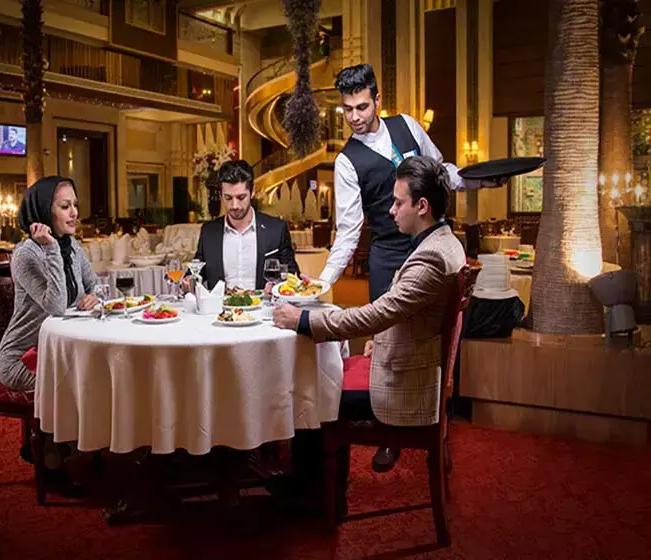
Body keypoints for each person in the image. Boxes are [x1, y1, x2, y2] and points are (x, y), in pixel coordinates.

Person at [271, 157, 464, 506]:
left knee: (313, 388)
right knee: (322, 376)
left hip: (405, 386)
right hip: (413, 365)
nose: (391, 211)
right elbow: (401, 313)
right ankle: (319, 490)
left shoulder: (432, 258)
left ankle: (312, 498)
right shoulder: (443, 242)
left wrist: (303, 321)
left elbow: (374, 315)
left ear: (422, 206)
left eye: (398, 202)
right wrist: (380, 339)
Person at [317, 63, 477, 472]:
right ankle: (389, 434)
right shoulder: (347, 162)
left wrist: (475, 180)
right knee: (389, 348)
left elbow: (441, 172)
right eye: (347, 109)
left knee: (434, 342)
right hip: (388, 256)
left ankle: (438, 428)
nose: (355, 116)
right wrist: (321, 283)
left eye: (362, 106)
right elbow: (348, 232)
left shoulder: (407, 125)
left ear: (378, 99)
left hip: (429, 241)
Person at [0, 176, 100, 393]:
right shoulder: (26, 255)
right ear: (43, 211)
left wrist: (94, 297)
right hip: (25, 358)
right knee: (86, 384)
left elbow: (96, 285)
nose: (74, 213)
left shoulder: (71, 245)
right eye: (65, 206)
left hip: (62, 349)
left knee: (104, 370)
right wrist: (52, 249)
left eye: (75, 205)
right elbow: (57, 307)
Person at [182, 159, 300, 293]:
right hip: (221, 306)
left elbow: (291, 274)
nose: (235, 205)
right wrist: (188, 281)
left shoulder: (276, 229)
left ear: (252, 191)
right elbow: (196, 271)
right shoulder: (209, 231)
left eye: (241, 197)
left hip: (264, 305)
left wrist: (278, 286)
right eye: (228, 198)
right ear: (221, 195)